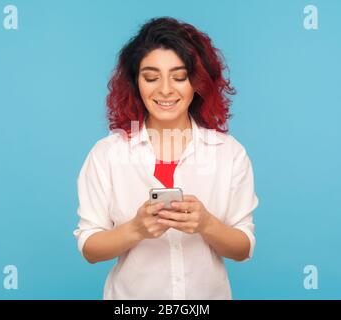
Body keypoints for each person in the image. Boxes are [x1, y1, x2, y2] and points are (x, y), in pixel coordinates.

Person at [73, 16, 259, 300]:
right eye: (151, 77)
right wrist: (135, 230)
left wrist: (207, 224)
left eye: (179, 76)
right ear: (136, 83)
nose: (165, 90)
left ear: (197, 83)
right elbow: (90, 247)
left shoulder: (229, 153)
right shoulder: (107, 154)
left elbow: (243, 247)